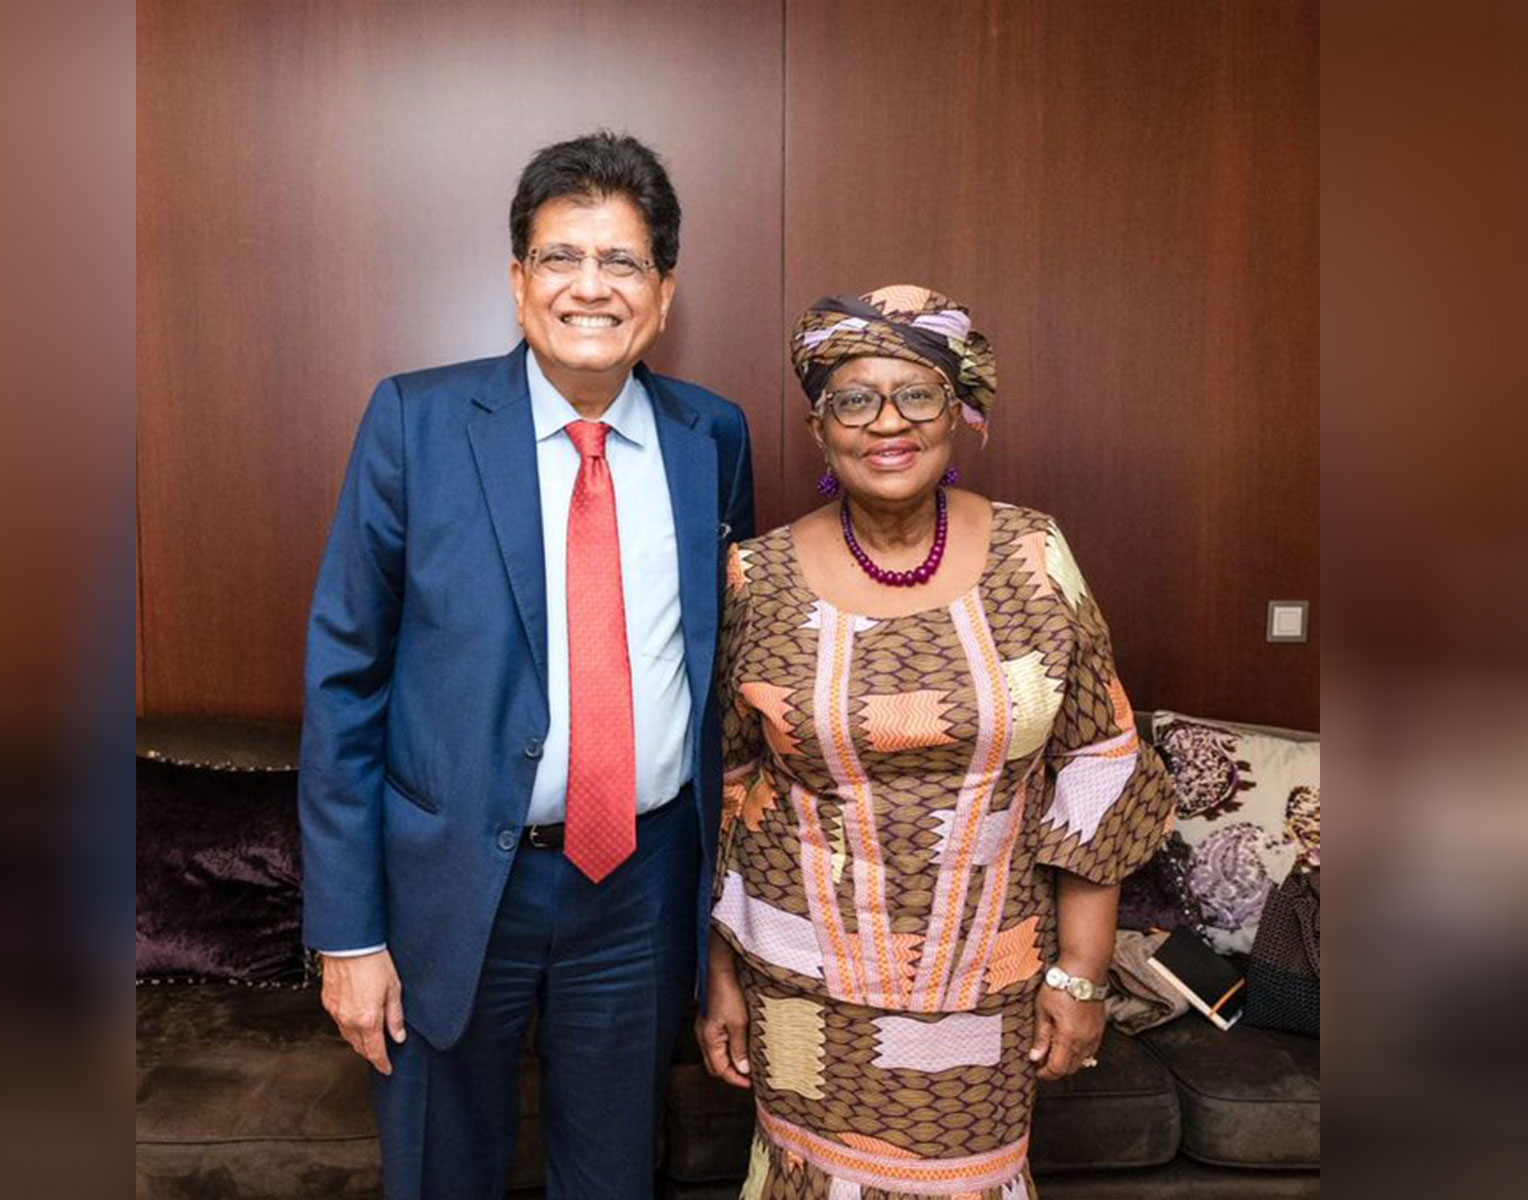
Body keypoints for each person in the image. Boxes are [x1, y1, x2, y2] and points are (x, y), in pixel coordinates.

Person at [299, 131, 755, 1199]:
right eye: (559, 258)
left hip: (640, 887)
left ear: (663, 292)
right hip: (452, 887)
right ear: (517, 281)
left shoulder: (713, 439)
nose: (588, 288)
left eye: (622, 262)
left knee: (613, 1178)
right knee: (440, 1173)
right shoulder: (415, 422)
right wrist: (348, 934)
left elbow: (725, 669)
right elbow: (343, 683)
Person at [696, 285, 1172, 1199]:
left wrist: (1080, 975)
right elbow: (729, 790)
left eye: (918, 394)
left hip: (989, 984)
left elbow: (1099, 762)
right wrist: (715, 976)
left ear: (960, 414)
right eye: (855, 398)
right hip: (802, 986)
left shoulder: (1033, 556)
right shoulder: (756, 574)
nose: (889, 423)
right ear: (818, 425)